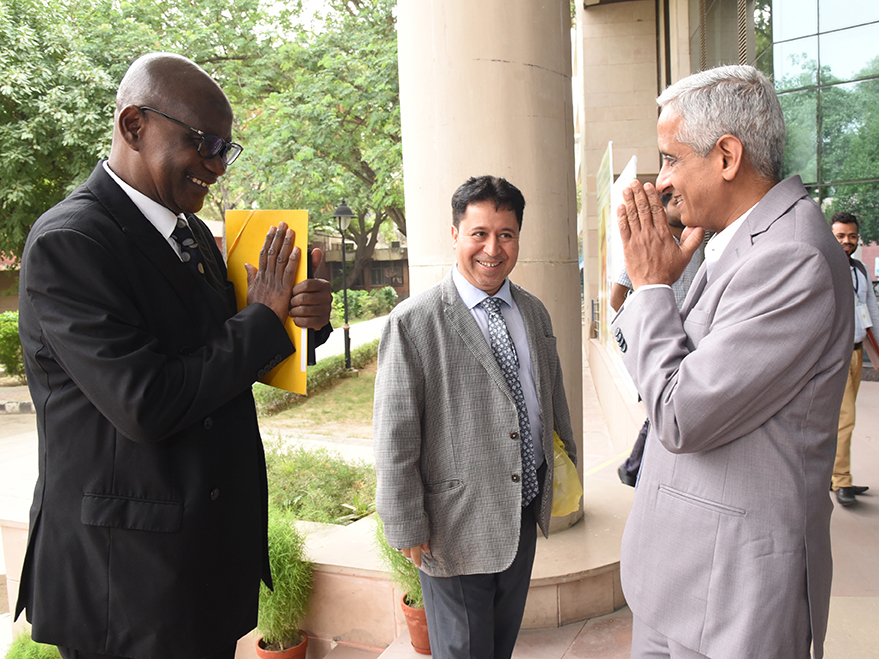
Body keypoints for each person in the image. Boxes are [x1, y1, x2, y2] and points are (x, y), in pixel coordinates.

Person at [15, 52, 332, 659]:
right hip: (125, 583)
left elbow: (228, 352)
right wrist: (263, 321)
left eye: (225, 149)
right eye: (203, 142)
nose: (217, 165)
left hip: (198, 566)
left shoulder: (191, 234)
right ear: (134, 125)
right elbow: (146, 402)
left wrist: (301, 321)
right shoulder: (71, 242)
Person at [611, 65, 853, 659]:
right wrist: (658, 288)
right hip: (681, 575)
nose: (663, 181)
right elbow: (668, 372)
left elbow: (680, 415)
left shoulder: (792, 256)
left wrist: (651, 287)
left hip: (730, 596)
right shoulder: (739, 239)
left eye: (671, 158)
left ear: (726, 156)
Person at [374, 175, 577, 659]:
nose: (492, 248)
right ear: (454, 235)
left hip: (521, 509)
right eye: (479, 233)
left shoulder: (534, 312)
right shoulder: (414, 322)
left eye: (506, 234)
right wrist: (405, 524)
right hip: (453, 524)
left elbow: (551, 398)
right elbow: (395, 436)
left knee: (500, 646)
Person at [612, 193, 704, 487]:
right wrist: (648, 322)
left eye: (682, 200)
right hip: (657, 343)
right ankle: (634, 467)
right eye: (675, 201)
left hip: (692, 347)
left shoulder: (700, 246)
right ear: (663, 210)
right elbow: (616, 298)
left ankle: (634, 467)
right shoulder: (646, 249)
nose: (681, 205)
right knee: (660, 412)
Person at [829, 211, 878, 505]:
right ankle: (841, 480)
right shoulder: (824, 266)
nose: (847, 241)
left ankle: (835, 475)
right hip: (837, 355)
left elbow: (871, 309)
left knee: (844, 418)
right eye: (840, 236)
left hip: (858, 353)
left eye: (852, 236)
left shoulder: (859, 269)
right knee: (845, 419)